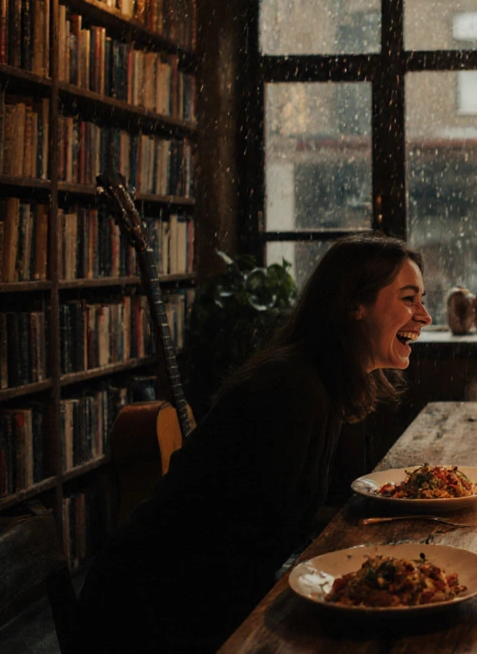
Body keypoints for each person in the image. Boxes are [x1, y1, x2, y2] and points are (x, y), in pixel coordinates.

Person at [76, 234, 432, 652]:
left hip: (190, 599)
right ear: (355, 305)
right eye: (409, 299)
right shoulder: (293, 388)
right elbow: (237, 546)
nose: (424, 316)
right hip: (147, 617)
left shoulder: (319, 379)